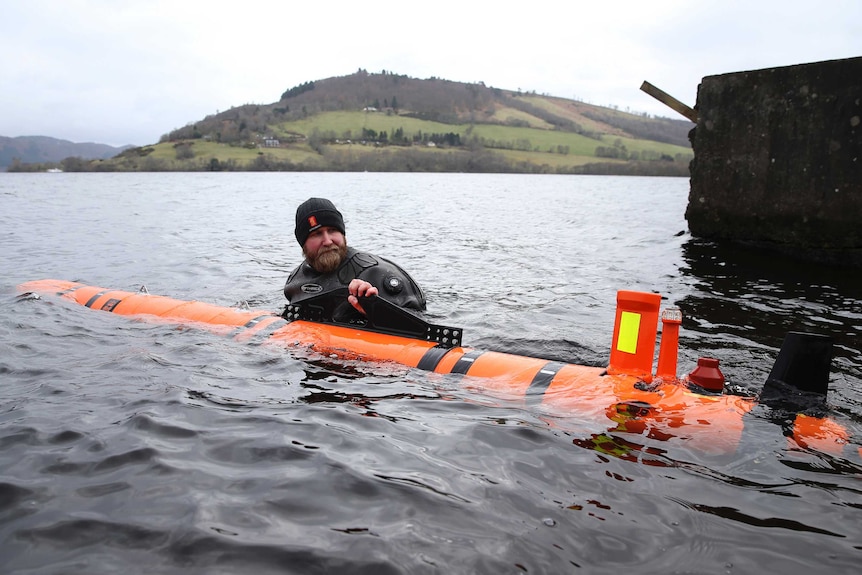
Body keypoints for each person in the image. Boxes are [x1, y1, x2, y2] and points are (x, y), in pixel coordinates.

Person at [284, 197, 426, 324]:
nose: (327, 241)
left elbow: (421, 321)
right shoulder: (295, 282)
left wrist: (376, 311)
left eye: (333, 230)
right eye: (316, 234)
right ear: (303, 244)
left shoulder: (376, 274)